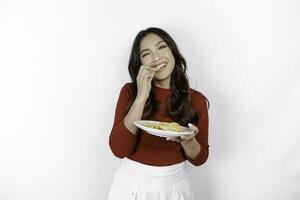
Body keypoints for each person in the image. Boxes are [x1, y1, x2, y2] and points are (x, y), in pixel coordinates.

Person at [108, 27, 210, 200]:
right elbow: (118, 149)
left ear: (173, 52)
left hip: (175, 187)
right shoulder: (130, 92)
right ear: (140, 63)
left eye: (161, 47)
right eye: (146, 53)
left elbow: (199, 159)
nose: (156, 57)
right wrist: (142, 96)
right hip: (132, 185)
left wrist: (189, 140)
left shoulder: (196, 100)